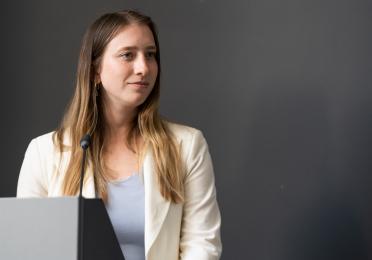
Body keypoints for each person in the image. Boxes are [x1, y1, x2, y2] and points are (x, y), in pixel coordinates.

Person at [17, 10, 221, 260]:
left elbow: (202, 246)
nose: (143, 68)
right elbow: (28, 251)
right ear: (95, 71)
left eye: (150, 55)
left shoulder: (187, 146)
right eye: (127, 55)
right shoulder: (44, 153)